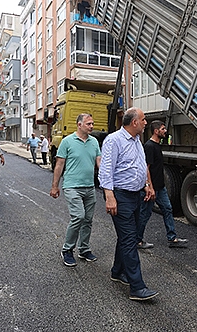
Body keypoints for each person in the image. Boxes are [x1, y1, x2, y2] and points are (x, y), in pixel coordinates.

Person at [98, 107, 159, 301]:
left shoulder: (137, 141)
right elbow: (105, 170)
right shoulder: (114, 140)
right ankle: (137, 287)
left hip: (135, 195)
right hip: (120, 196)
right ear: (134, 122)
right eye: (143, 119)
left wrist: (148, 185)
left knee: (127, 237)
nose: (145, 122)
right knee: (129, 239)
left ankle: (117, 271)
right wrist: (109, 196)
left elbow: (141, 166)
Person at [50, 114, 102, 267]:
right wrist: (55, 186)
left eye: (92, 123)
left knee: (88, 220)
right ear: (79, 125)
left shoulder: (94, 142)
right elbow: (59, 165)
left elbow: (99, 162)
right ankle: (67, 250)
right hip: (72, 186)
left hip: (89, 187)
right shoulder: (67, 141)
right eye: (88, 124)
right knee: (78, 216)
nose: (92, 126)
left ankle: (84, 249)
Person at [137, 120, 188, 249]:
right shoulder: (149, 146)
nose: (165, 131)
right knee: (145, 214)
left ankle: (173, 239)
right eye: (163, 129)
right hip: (152, 189)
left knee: (167, 209)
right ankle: (138, 240)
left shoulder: (157, 145)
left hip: (160, 187)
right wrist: (150, 187)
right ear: (156, 131)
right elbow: (146, 168)